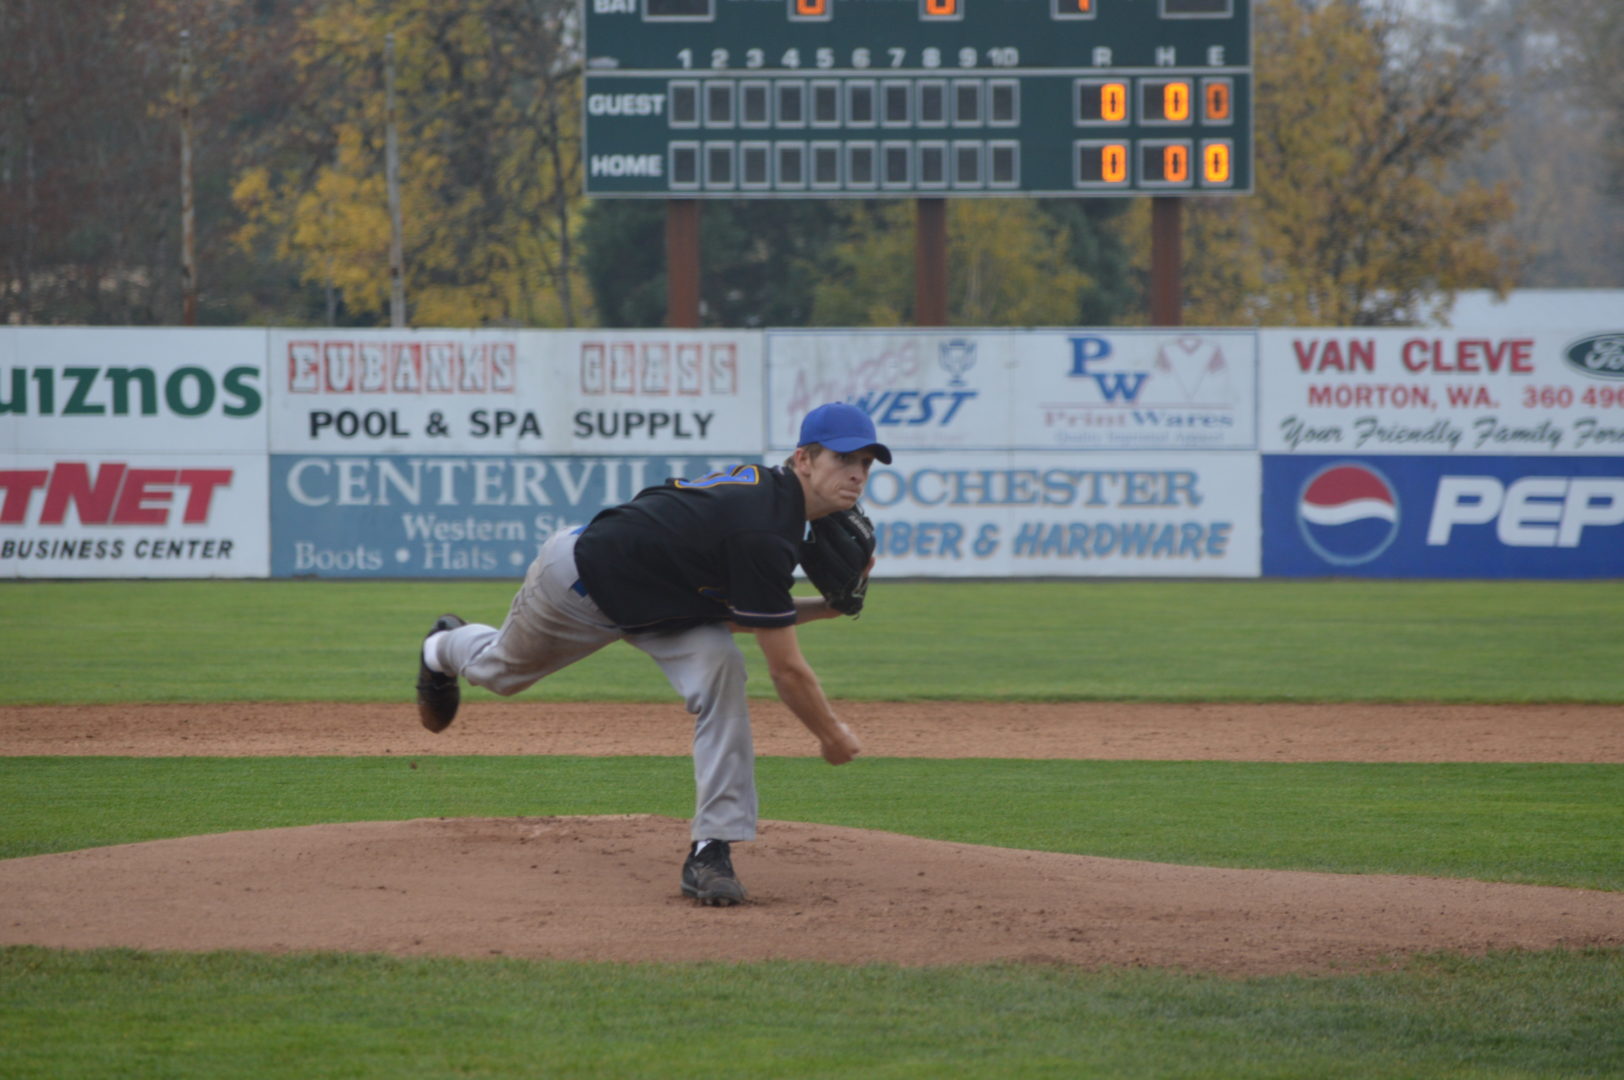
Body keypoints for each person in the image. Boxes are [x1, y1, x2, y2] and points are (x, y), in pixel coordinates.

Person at [414, 402, 891, 906]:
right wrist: (831, 734)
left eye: (865, 462)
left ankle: (710, 850)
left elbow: (737, 616)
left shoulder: (776, 516)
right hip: (582, 584)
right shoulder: (763, 529)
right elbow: (787, 670)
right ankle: (441, 647)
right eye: (843, 458)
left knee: (723, 667)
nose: (857, 474)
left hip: (667, 609)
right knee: (499, 673)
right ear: (804, 459)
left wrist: (826, 609)